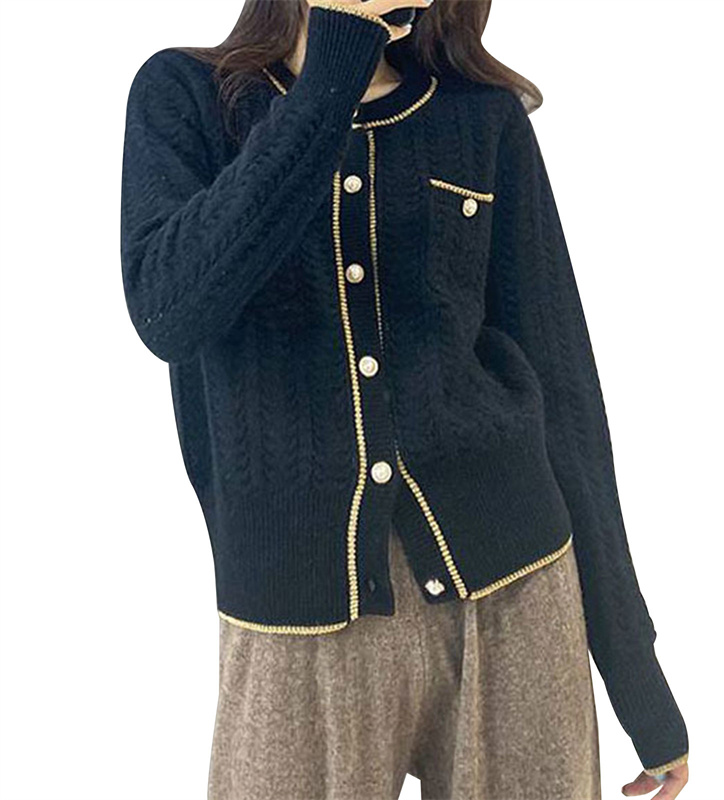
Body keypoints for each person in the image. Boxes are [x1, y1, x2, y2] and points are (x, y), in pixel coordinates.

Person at [119, 0, 690, 797]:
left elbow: (565, 393)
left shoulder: (480, 114)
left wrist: (634, 671)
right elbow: (170, 312)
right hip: (298, 620)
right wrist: (334, 68)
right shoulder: (188, 95)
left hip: (515, 593)